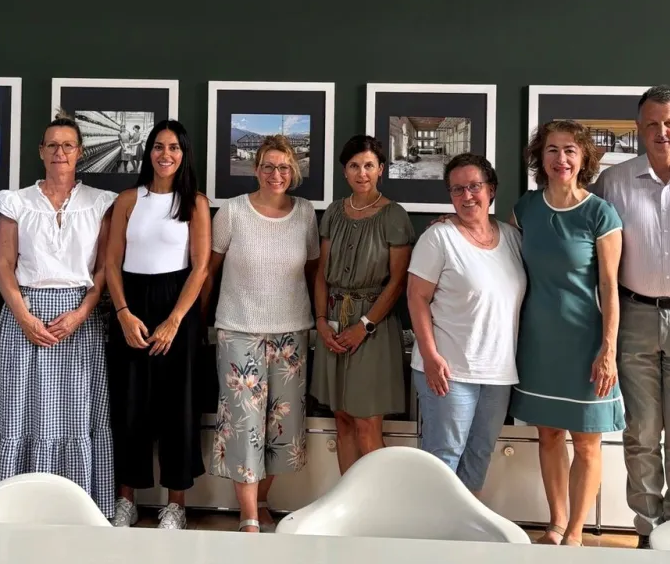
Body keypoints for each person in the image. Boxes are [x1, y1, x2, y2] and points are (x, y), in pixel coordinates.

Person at [591, 85, 670, 549]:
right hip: (635, 317)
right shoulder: (614, 183)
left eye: (669, 122)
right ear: (640, 129)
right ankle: (647, 532)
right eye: (651, 123)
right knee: (641, 433)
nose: (661, 131)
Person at [0, 112, 117, 517]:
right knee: (18, 410)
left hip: (79, 317)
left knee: (73, 414)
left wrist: (79, 314)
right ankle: (10, 507)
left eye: (67, 145)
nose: (59, 152)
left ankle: (74, 508)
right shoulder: (16, 201)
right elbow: (3, 265)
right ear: (40, 151)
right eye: (52, 145)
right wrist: (23, 316)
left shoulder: (100, 203)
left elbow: (104, 269)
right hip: (26, 313)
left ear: (80, 153)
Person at [509, 119, 624, 546]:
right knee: (549, 435)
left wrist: (608, 349)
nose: (562, 159)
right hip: (538, 341)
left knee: (587, 443)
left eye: (570, 150)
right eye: (553, 150)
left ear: (584, 158)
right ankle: (556, 524)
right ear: (541, 157)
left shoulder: (600, 213)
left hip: (586, 343)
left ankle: (576, 531)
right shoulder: (524, 210)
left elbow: (611, 287)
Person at [201, 134, 319, 532]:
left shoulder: (305, 213)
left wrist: (318, 320)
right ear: (255, 169)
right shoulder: (232, 212)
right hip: (239, 331)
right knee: (244, 424)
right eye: (267, 166)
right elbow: (209, 271)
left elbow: (312, 272)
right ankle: (248, 515)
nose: (275, 174)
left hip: (292, 333)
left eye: (284, 167)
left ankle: (263, 499)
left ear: (294, 172)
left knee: (280, 427)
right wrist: (200, 321)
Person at [106, 120, 210, 530]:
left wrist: (174, 321)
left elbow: (200, 267)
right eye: (158, 146)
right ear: (147, 151)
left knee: (177, 409)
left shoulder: (195, 203)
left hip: (177, 311)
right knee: (130, 406)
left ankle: (176, 505)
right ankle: (126, 499)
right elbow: (112, 263)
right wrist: (123, 312)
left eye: (174, 147)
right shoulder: (128, 199)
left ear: (184, 154)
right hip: (131, 307)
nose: (165, 154)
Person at [407, 153, 526, 497]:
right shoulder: (439, 238)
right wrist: (430, 356)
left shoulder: (512, 238)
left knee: (478, 457)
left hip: (498, 373)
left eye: (475, 186)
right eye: (457, 190)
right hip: (448, 369)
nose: (467, 196)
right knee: (443, 458)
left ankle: (462, 533)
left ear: (491, 190)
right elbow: (417, 297)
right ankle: (435, 538)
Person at [312, 135, 415, 475]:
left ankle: (377, 512)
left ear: (380, 169)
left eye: (369, 165)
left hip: (373, 327)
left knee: (367, 422)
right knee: (341, 419)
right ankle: (348, 506)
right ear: (345, 171)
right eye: (354, 166)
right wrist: (322, 321)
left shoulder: (394, 215)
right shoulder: (333, 213)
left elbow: (398, 282)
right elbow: (322, 275)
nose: (362, 173)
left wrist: (365, 325)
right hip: (334, 325)